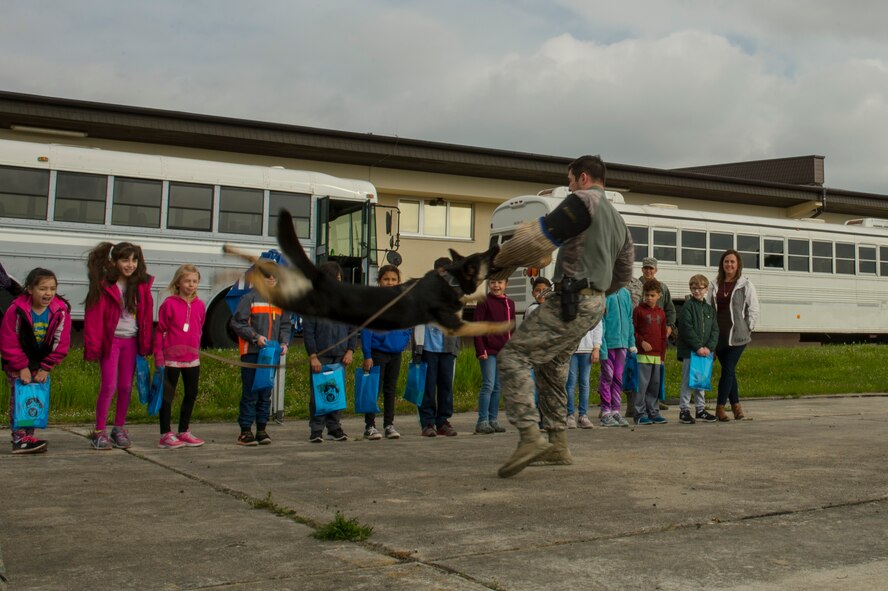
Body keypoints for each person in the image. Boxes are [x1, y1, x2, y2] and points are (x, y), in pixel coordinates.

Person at [492, 155, 634, 477]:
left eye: (569, 179)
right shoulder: (617, 219)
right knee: (551, 368)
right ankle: (557, 444)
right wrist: (597, 291)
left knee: (513, 357)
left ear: (583, 177)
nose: (568, 186)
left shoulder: (582, 201)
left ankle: (530, 436)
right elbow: (624, 272)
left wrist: (498, 260)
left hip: (570, 301)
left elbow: (540, 237)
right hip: (595, 304)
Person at [84, 242, 154, 450]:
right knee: (109, 386)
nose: (130, 264)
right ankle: (99, 431)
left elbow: (147, 317)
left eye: (134, 260)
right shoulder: (104, 286)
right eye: (125, 260)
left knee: (125, 387)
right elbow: (94, 318)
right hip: (110, 342)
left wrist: (146, 345)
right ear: (114, 262)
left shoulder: (142, 286)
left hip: (131, 342)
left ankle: (119, 428)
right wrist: (94, 346)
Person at [0, 268, 71, 454]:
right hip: (18, 362)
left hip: (40, 362)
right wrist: (21, 367)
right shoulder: (16, 310)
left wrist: (46, 367)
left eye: (52, 288)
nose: (48, 293)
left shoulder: (60, 312)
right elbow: (9, 341)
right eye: (43, 288)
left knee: (34, 398)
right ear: (30, 289)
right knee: (20, 397)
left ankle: (28, 436)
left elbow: (61, 343)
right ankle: (19, 438)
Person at [231, 267, 292, 446]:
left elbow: (286, 325)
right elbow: (237, 323)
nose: (272, 278)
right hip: (252, 353)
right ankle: (245, 430)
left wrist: (284, 343)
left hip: (271, 354)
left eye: (275, 275)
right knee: (250, 392)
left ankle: (262, 429)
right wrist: (255, 337)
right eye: (267, 276)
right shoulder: (248, 298)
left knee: (265, 392)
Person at [154, 264, 206, 449]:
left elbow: (200, 327)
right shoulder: (169, 304)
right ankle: (165, 433)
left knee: (191, 393)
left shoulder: (200, 305)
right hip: (171, 359)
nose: (191, 285)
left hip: (192, 358)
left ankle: (184, 430)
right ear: (178, 282)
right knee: (168, 395)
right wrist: (158, 356)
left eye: (194, 281)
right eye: (187, 281)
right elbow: (160, 331)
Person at [304, 261, 357, 443]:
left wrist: (350, 350)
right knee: (318, 393)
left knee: (337, 393)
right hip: (321, 356)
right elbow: (309, 331)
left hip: (340, 355)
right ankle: (316, 428)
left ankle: (334, 427)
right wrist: (313, 355)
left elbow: (352, 329)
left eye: (339, 279)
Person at [361, 264, 412, 440]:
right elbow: (366, 329)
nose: (390, 283)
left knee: (390, 390)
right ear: (379, 281)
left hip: (395, 353)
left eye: (393, 280)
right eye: (386, 279)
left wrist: (403, 341)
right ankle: (370, 426)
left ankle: (389, 424)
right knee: (374, 389)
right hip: (377, 353)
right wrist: (367, 355)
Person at [707, 249, 759, 421]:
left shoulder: (745, 284)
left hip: (737, 336)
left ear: (738, 265)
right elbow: (709, 309)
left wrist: (748, 327)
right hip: (719, 336)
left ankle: (720, 408)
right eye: (726, 261)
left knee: (728, 369)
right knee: (729, 371)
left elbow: (753, 308)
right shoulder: (714, 284)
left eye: (732, 262)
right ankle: (736, 407)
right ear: (722, 264)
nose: (729, 264)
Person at [416, 257, 461, 437]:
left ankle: (442, 421)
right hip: (427, 347)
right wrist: (417, 348)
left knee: (445, 387)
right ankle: (427, 422)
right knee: (428, 387)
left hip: (447, 348)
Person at [629, 257, 675, 411]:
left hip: (657, 340)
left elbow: (670, 310)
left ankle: (655, 403)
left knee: (656, 377)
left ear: (656, 270)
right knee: (637, 376)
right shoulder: (634, 285)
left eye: (651, 268)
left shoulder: (662, 288)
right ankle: (634, 406)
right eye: (646, 268)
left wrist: (669, 326)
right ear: (642, 269)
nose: (648, 270)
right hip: (640, 338)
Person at [473, 277, 515, 434]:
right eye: (493, 282)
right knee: (488, 384)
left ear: (506, 284)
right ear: (488, 284)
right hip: (488, 351)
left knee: (498, 387)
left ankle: (493, 419)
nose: (496, 285)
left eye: (500, 282)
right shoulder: (484, 301)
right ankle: (482, 421)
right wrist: (480, 349)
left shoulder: (510, 304)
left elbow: (512, 329)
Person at [676, 274, 719, 424]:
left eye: (700, 288)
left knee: (701, 381)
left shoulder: (709, 310)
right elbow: (687, 329)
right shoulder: (687, 307)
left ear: (706, 289)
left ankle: (700, 409)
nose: (696, 291)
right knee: (688, 381)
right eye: (693, 288)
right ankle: (684, 410)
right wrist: (698, 347)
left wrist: (709, 347)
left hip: (705, 352)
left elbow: (715, 330)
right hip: (690, 352)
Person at [633, 279, 668, 425]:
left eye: (652, 295)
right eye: (646, 295)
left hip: (657, 356)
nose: (649, 298)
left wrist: (662, 356)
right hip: (642, 356)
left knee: (654, 385)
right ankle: (640, 414)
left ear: (659, 295)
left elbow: (662, 335)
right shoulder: (638, 310)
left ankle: (653, 412)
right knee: (642, 386)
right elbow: (633, 331)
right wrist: (641, 342)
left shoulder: (661, 313)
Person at [599, 286, 634, 427]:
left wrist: (631, 342)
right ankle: (605, 411)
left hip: (623, 344)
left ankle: (616, 410)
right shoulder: (605, 293)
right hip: (608, 343)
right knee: (607, 377)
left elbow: (629, 318)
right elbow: (601, 320)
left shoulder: (626, 293)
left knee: (618, 378)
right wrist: (602, 346)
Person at [564, 323, 600, 429]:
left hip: (587, 349)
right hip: (571, 350)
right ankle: (570, 415)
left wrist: (596, 348)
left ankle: (583, 415)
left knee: (584, 383)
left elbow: (598, 326)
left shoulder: (591, 306)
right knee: (571, 382)